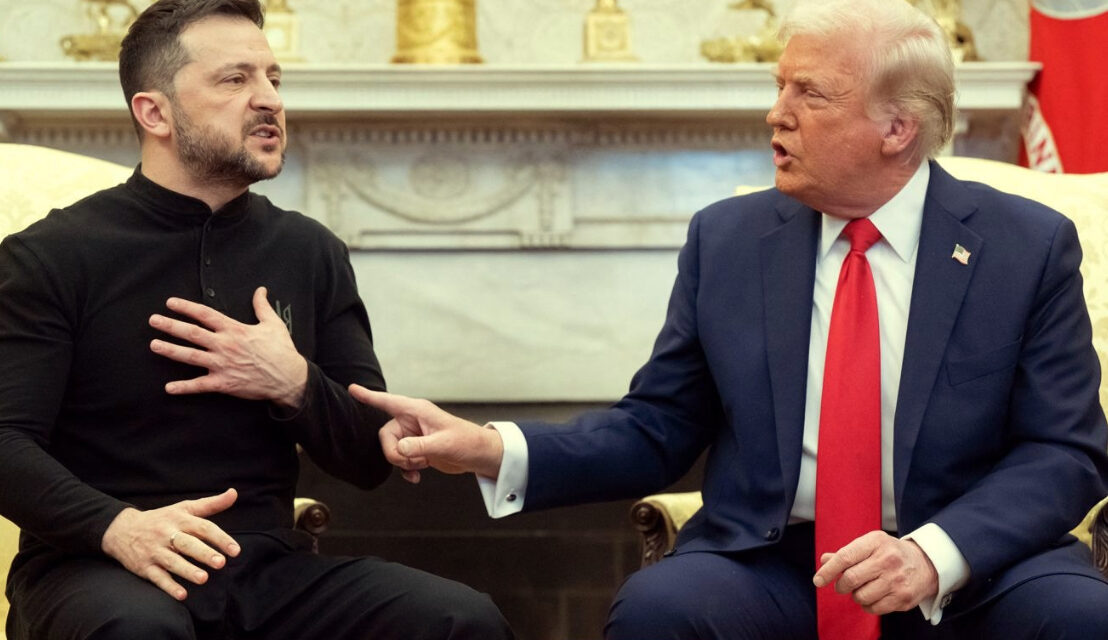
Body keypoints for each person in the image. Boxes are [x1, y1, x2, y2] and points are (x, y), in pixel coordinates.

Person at [350, 0, 1108, 638]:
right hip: (777, 560)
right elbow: (657, 427)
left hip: (973, 563)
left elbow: (1065, 451)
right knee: (661, 611)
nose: (776, 114)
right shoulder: (730, 241)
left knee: (1081, 617)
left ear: (897, 128)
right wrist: (489, 448)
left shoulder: (1025, 247)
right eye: (779, 87)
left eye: (810, 94)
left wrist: (933, 553)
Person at [0, 1, 513, 639]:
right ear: (154, 112)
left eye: (273, 78)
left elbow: (366, 457)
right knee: (138, 630)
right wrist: (119, 527)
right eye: (235, 79)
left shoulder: (310, 251)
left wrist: (294, 383)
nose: (269, 99)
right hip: (95, 564)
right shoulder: (51, 255)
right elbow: (5, 442)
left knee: (460, 619)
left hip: (265, 566)